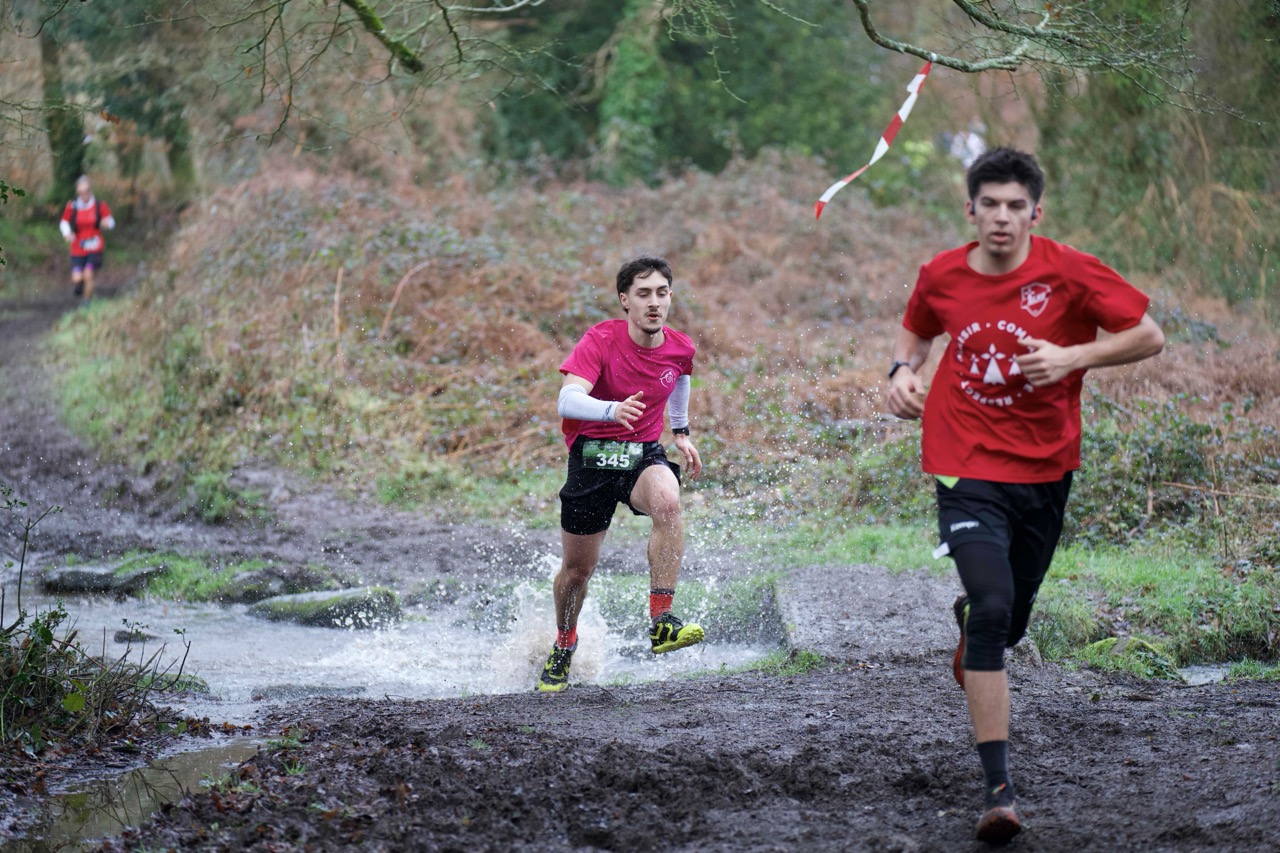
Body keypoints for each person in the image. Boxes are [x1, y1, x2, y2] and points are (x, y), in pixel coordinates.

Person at [885, 148, 1164, 843]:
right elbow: (917, 331)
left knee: (1008, 620)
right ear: (970, 209)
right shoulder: (942, 273)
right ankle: (999, 792)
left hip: (1044, 470)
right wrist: (901, 371)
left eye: (1016, 206)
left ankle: (978, 624)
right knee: (993, 609)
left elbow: (1148, 335)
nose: (1002, 217)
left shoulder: (1071, 271)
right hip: (964, 463)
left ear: (1035, 213)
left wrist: (1074, 356)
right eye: (991, 205)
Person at [537, 256, 706, 693]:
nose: (654, 303)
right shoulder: (600, 339)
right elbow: (567, 400)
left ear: (670, 297)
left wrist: (681, 431)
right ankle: (564, 642)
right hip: (592, 459)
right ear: (625, 300)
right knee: (577, 572)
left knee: (668, 501)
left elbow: (680, 376)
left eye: (662, 293)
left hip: (641, 455)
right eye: (643, 294)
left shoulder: (681, 347)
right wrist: (612, 410)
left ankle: (662, 621)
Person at [59, 176, 115, 303]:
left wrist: (107, 223)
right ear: (77, 192)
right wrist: (67, 233)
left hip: (95, 247)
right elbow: (64, 222)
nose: (84, 194)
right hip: (77, 247)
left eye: (86, 191)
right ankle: (80, 285)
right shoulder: (72, 206)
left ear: (91, 190)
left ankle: (86, 302)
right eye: (81, 192)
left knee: (88, 274)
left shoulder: (99, 205)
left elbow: (111, 222)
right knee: (77, 278)